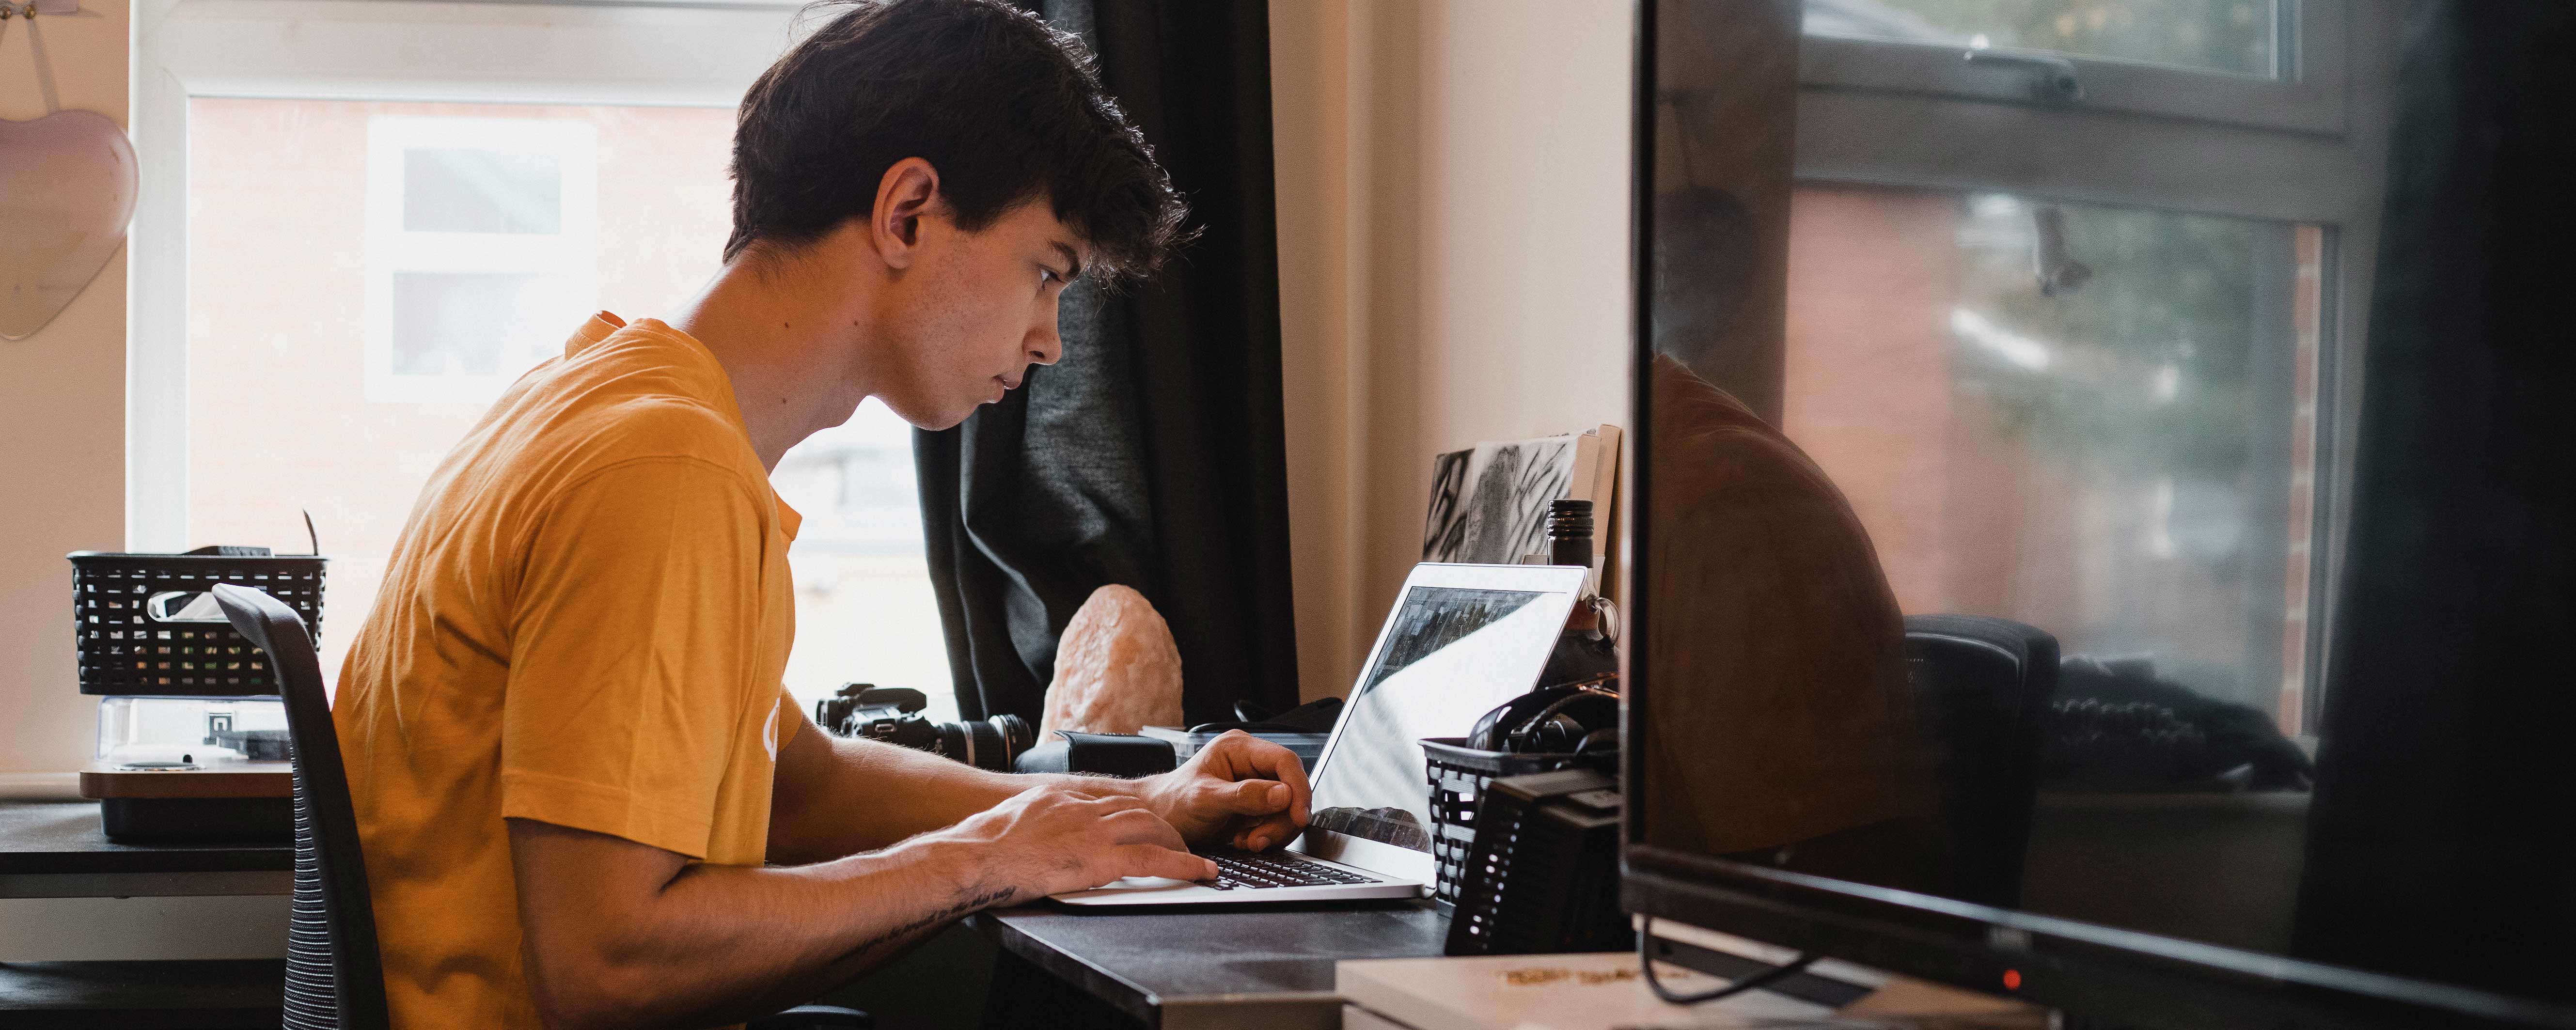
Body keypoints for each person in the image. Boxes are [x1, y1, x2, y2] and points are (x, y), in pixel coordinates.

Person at [331, 1, 1310, 1026]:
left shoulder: (602, 402)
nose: (1050, 341)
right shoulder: (663, 469)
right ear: (909, 213)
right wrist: (987, 858)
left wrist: (1129, 807)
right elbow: (609, 963)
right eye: (1046, 271)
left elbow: (798, 783)